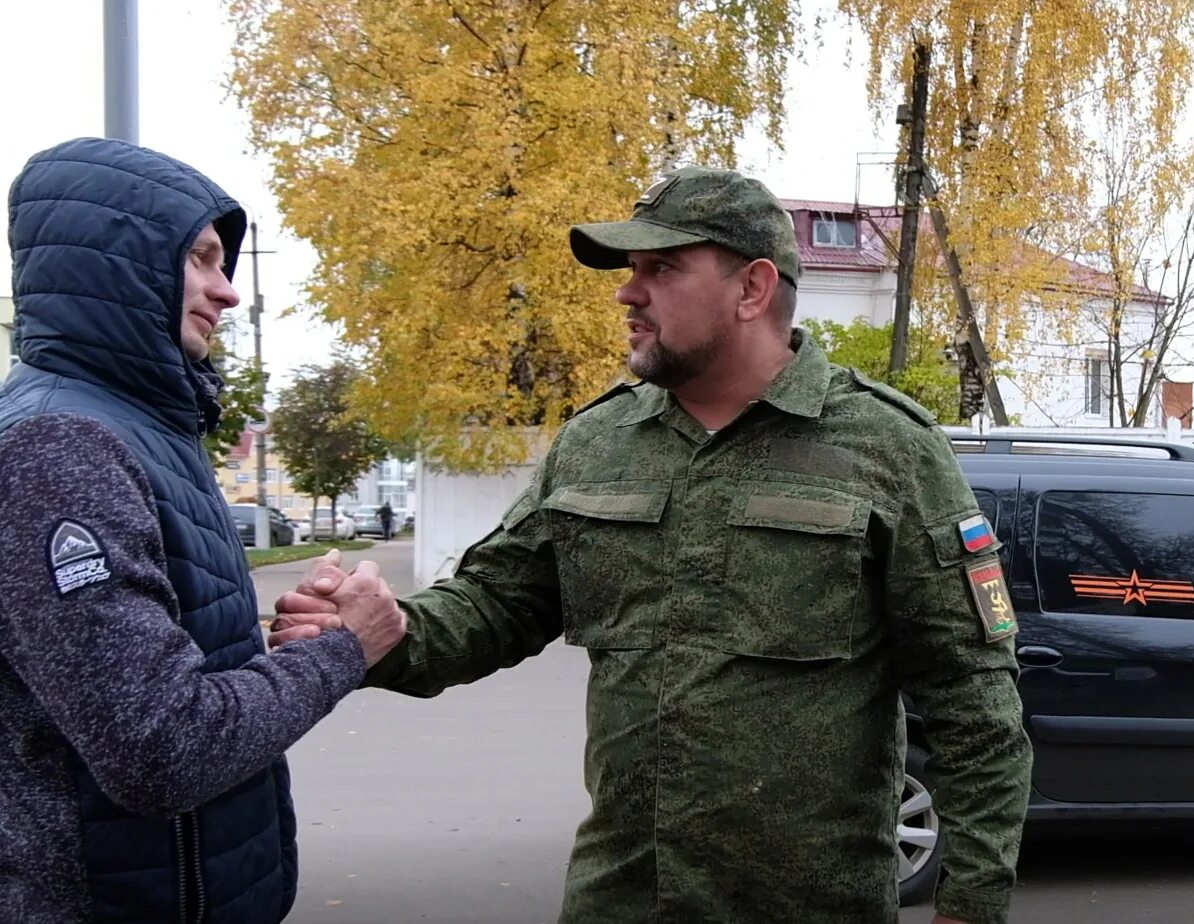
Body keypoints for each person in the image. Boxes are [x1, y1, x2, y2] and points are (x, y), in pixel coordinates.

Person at [273, 166, 1032, 924]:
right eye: (632, 270)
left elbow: (976, 702)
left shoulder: (888, 449)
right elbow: (495, 604)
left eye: (661, 268)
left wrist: (969, 904)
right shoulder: (599, 442)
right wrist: (383, 633)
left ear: (752, 289)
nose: (627, 293)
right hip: (623, 899)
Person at [0, 137, 405, 924]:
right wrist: (343, 649)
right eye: (201, 259)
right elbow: (161, 747)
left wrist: (279, 636)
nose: (225, 292)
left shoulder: (133, 431)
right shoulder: (58, 448)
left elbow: (149, 663)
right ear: (117, 264)